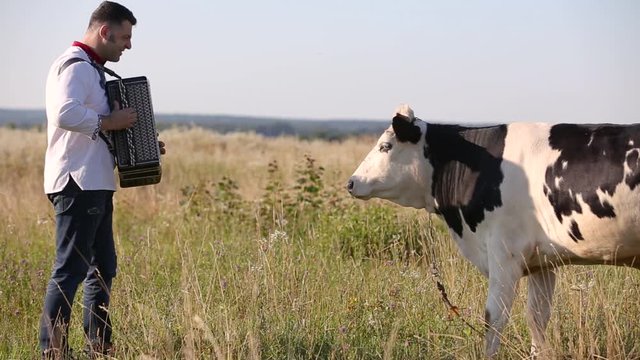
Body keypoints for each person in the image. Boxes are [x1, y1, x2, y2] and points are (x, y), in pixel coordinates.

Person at [40, 2, 164, 358]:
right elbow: (63, 113)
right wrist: (110, 123)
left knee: (102, 268)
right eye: (124, 37)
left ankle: (100, 348)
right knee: (70, 270)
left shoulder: (91, 69)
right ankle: (53, 352)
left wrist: (143, 145)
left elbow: (90, 127)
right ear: (105, 32)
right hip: (77, 183)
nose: (128, 45)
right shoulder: (75, 66)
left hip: (94, 181)